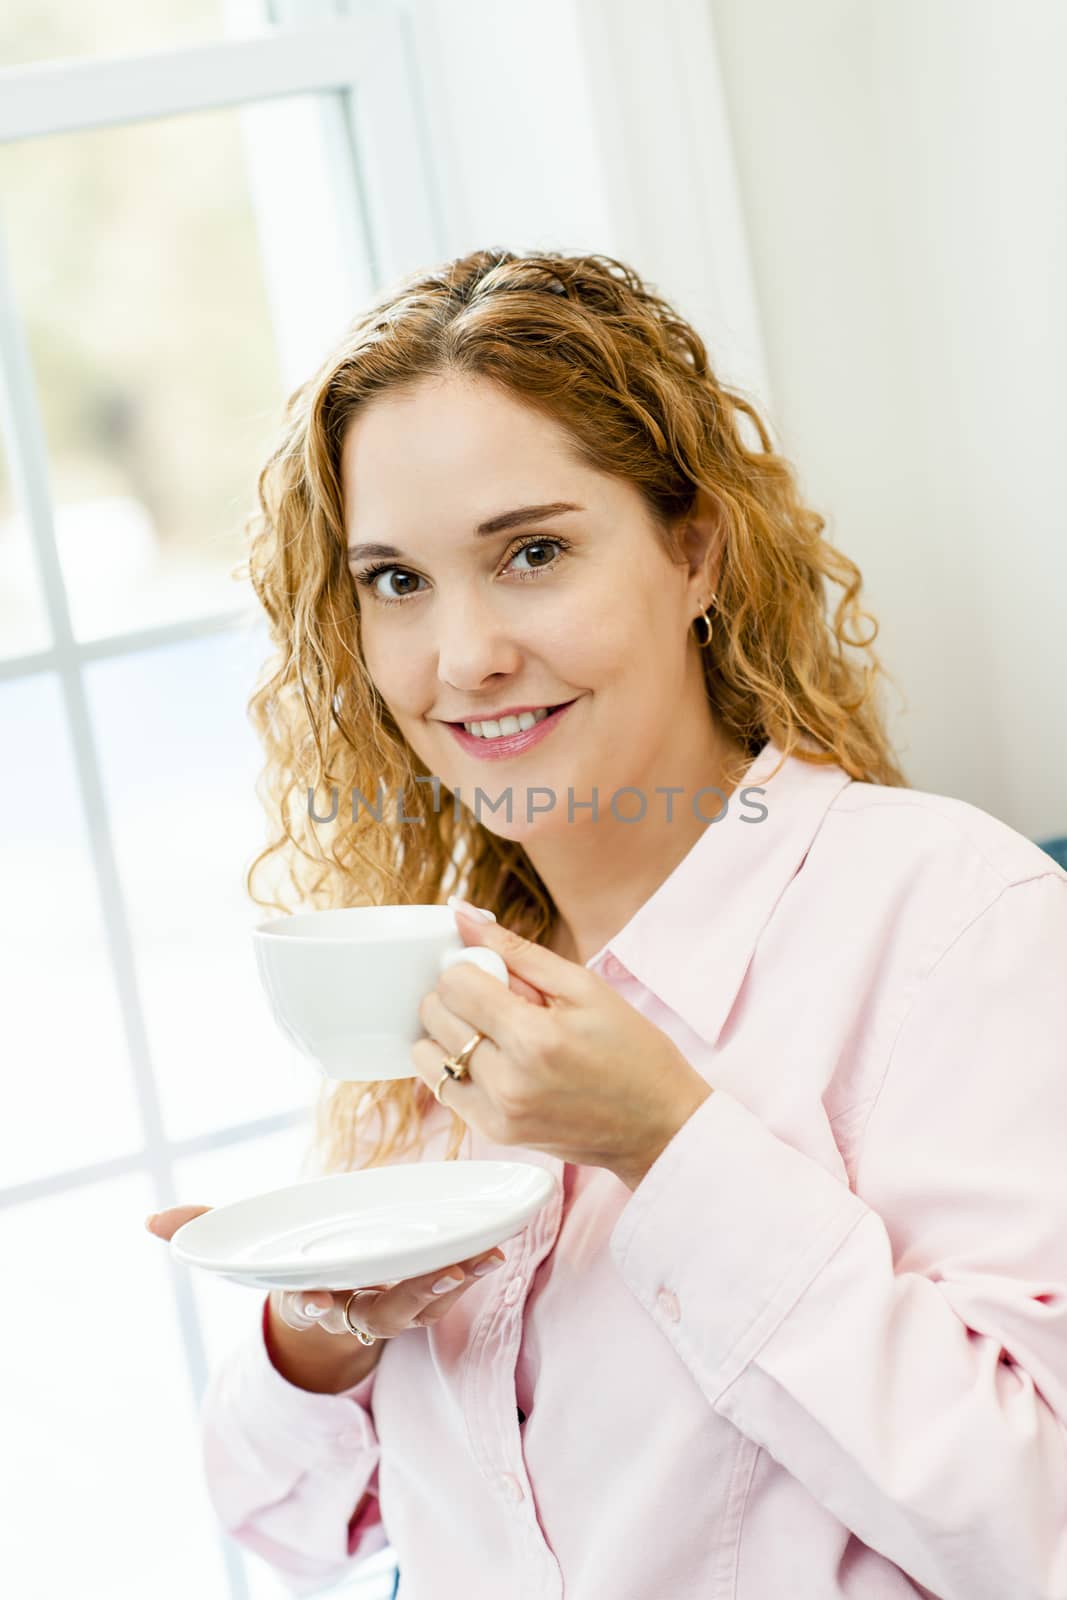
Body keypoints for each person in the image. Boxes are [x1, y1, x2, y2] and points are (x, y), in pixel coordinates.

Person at [145, 249, 1067, 1600]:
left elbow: (1039, 1517)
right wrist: (315, 1330)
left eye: (532, 553)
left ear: (695, 549)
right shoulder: (427, 976)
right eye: (395, 580)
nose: (463, 658)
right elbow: (282, 1523)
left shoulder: (951, 922)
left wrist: (666, 1142)